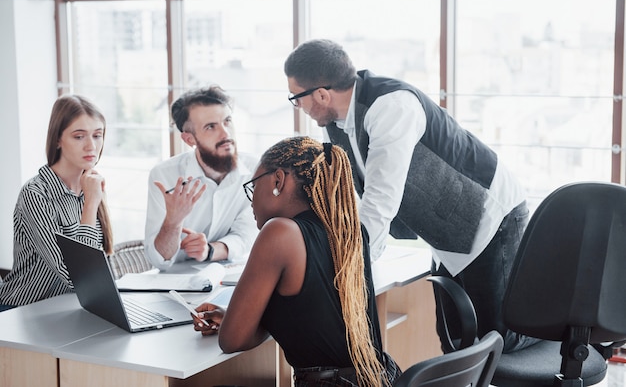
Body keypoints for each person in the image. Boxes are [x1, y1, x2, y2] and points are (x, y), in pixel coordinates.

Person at [283, 38, 538, 354]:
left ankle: (559, 324)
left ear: (321, 94)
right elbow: (348, 198)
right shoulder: (335, 123)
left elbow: (379, 201)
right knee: (454, 338)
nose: (299, 106)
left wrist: (350, 270)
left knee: (500, 339)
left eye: (296, 97)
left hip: (490, 215)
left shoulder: (391, 107)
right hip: (448, 230)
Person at [191, 136, 401, 387]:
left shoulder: (279, 233)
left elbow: (231, 341)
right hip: (381, 378)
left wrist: (240, 320)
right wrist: (239, 316)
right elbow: (311, 318)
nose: (251, 200)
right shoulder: (351, 232)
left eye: (253, 186)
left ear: (278, 180)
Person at [0, 95, 113, 311]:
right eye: (79, 136)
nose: (91, 146)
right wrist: (90, 204)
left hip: (69, 308)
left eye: (97, 135)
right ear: (58, 140)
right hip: (21, 311)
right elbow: (76, 277)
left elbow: (102, 262)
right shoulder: (35, 194)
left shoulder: (91, 184)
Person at [144, 86, 257, 270]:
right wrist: (173, 221)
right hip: (174, 285)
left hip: (230, 277)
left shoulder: (255, 169)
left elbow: (247, 235)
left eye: (227, 121)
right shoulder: (164, 176)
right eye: (211, 127)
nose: (225, 134)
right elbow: (158, 259)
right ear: (190, 140)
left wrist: (210, 250)